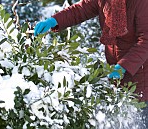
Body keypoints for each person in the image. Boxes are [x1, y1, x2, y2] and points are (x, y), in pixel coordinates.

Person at [34, 0, 148, 128]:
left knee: (139, 120)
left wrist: (124, 66)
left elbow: (145, 42)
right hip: (117, 71)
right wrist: (54, 21)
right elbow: (80, 9)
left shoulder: (141, 3)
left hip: (141, 75)